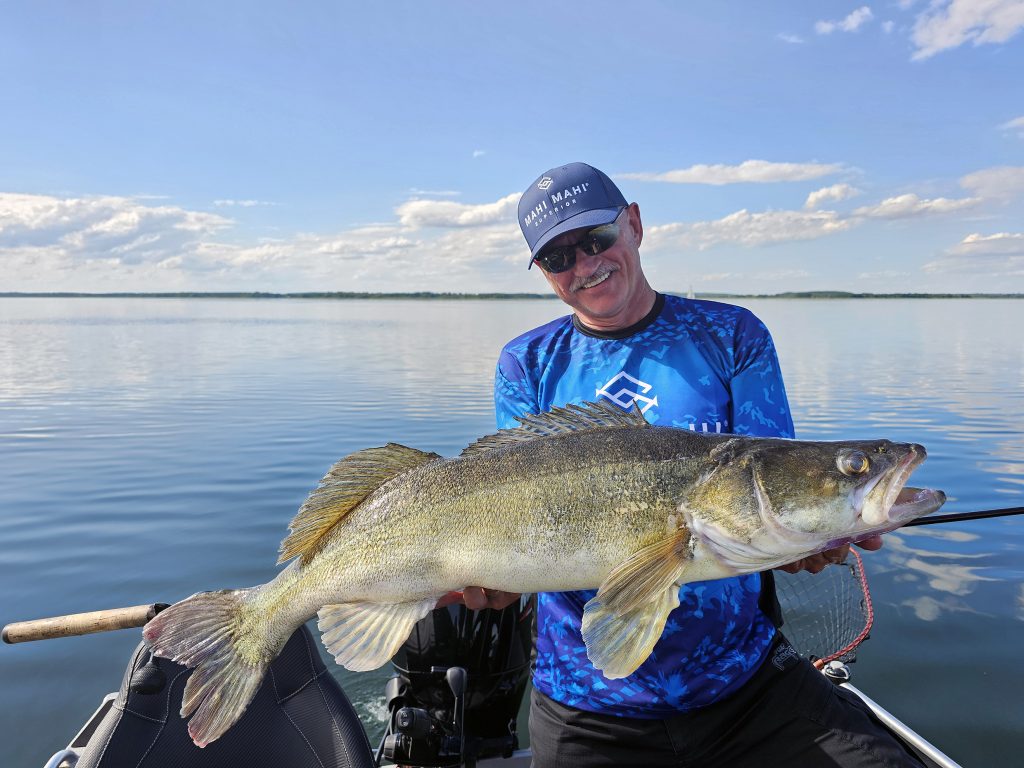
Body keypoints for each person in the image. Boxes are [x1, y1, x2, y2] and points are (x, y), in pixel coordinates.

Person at [457, 162, 924, 767]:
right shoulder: (527, 362)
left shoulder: (731, 335)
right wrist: (492, 581)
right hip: (586, 703)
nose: (584, 265)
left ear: (634, 225)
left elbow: (773, 488)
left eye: (595, 240)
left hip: (747, 686)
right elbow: (510, 498)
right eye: (557, 258)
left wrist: (817, 533)